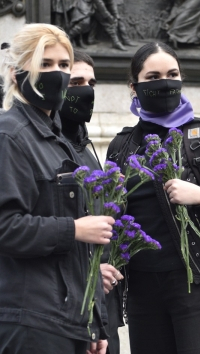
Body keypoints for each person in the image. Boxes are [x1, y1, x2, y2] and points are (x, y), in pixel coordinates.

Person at [105, 42, 200, 354]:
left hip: (199, 285)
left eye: (172, 74)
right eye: (153, 76)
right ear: (134, 87)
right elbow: (111, 214)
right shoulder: (121, 146)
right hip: (143, 291)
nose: (164, 82)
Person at [0, 24, 113, 353]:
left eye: (64, 65)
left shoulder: (59, 141)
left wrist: (93, 323)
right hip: (30, 321)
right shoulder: (10, 136)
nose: (57, 73)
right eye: (44, 64)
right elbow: (5, 226)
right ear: (16, 73)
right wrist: (74, 229)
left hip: (67, 322)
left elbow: (79, 260)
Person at [58, 50, 125, 354]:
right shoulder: (37, 144)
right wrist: (90, 272)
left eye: (91, 82)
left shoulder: (85, 146)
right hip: (65, 310)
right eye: (76, 82)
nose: (86, 90)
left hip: (100, 309)